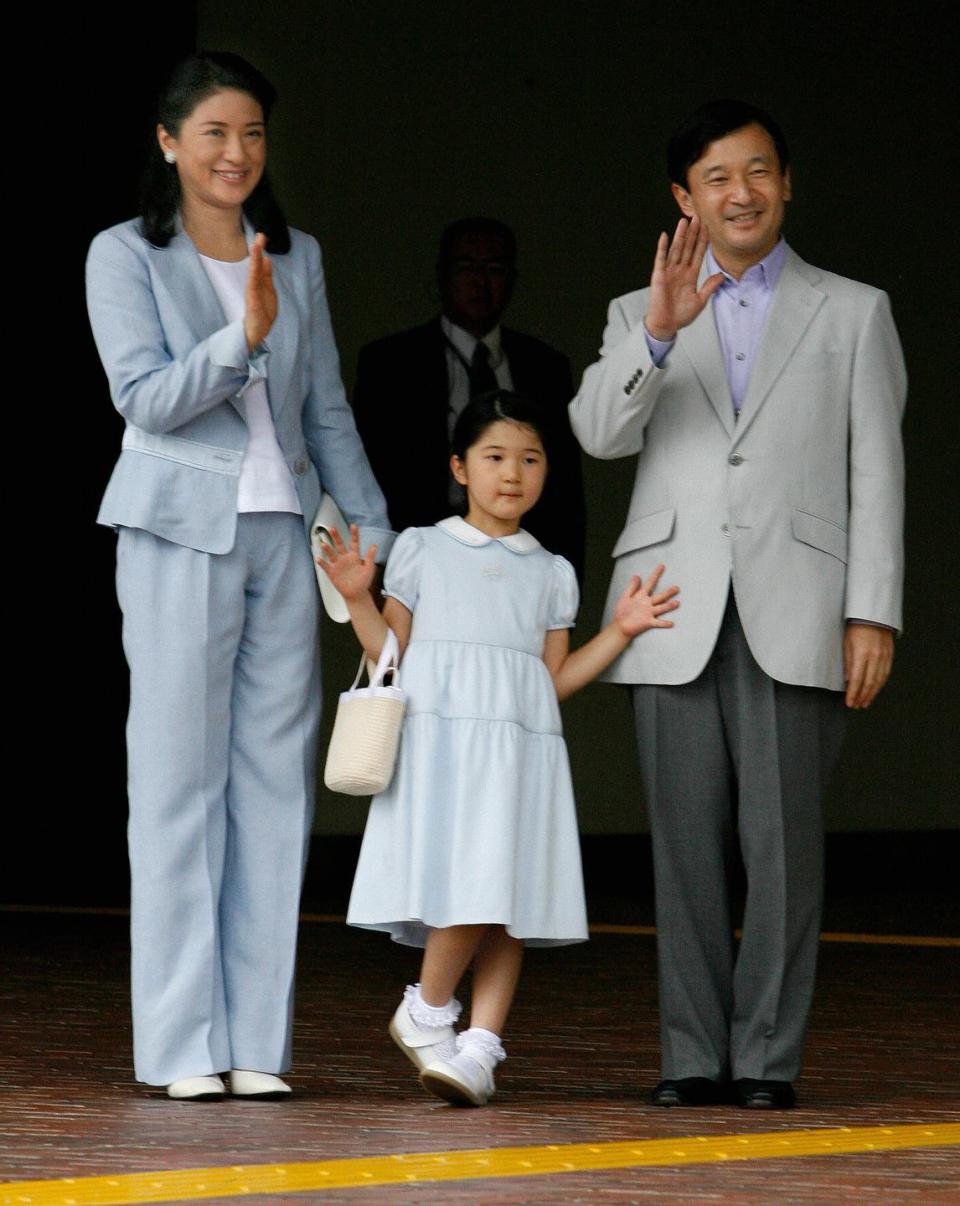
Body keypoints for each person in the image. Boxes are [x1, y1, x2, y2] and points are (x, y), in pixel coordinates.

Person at [570, 100, 906, 1110]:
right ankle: (691, 1056)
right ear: (685, 198)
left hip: (799, 607)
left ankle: (765, 1061)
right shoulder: (641, 310)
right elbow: (595, 433)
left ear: (787, 183)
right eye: (717, 177)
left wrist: (873, 611)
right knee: (681, 853)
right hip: (667, 609)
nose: (742, 192)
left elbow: (877, 472)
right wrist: (661, 336)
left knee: (783, 853)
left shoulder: (853, 310)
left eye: (759, 171)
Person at [85, 52, 393, 1101]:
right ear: (170, 142)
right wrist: (241, 338)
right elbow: (144, 399)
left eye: (253, 134)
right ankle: (179, 1047)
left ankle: (256, 1043)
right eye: (215, 133)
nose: (236, 153)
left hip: (286, 535)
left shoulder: (293, 254)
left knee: (272, 790)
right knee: (177, 787)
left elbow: (328, 409)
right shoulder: (122, 254)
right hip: (179, 532)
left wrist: (374, 537)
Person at [318, 391, 678, 1106]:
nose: (512, 473)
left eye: (530, 459)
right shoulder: (422, 545)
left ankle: (478, 1048)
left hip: (520, 746)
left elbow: (550, 680)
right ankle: (426, 1008)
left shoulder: (551, 571)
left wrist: (622, 631)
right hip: (445, 739)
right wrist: (360, 598)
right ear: (460, 467)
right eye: (494, 457)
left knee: (509, 896)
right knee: (474, 885)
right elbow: (391, 652)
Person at [352, 217, 587, 581]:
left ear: (512, 279)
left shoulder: (546, 366)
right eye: (467, 267)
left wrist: (568, 579)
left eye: (494, 268)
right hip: (418, 559)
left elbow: (566, 488)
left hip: (526, 559)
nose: (480, 281)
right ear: (442, 275)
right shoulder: (390, 363)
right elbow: (368, 474)